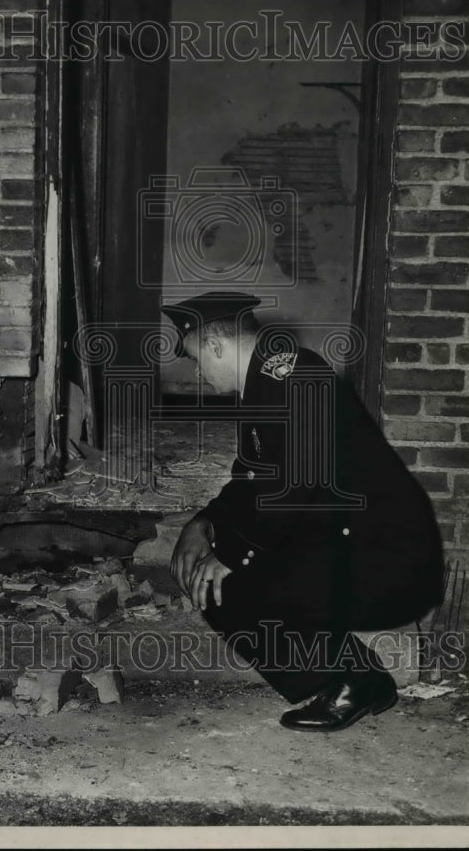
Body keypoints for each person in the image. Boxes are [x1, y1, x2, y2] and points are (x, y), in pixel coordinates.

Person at [163, 291, 444, 732]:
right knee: (219, 580)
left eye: (198, 358)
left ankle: (357, 680)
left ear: (217, 347)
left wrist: (234, 554)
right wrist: (205, 523)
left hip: (386, 561)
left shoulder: (292, 377)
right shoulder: (265, 381)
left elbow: (295, 488)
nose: (198, 371)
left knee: (227, 583)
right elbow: (252, 480)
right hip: (353, 543)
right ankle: (352, 676)